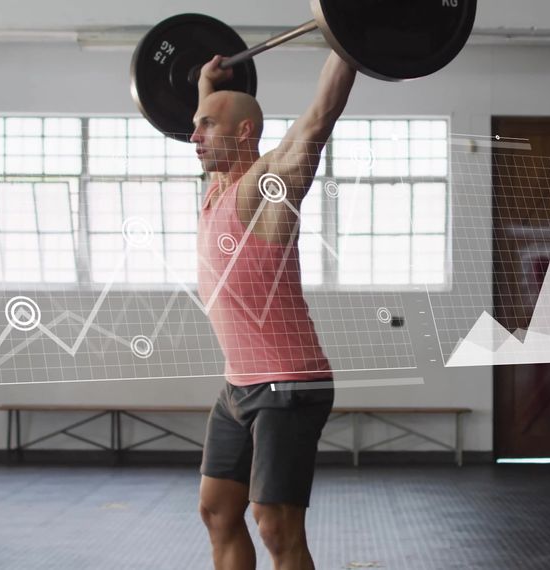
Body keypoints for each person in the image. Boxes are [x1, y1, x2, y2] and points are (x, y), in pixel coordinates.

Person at [192, 51, 357, 570]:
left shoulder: (269, 187)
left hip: (289, 382)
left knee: (274, 523)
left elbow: (319, 117)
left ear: (244, 133)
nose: (193, 137)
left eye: (205, 126)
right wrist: (204, 86)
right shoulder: (215, 187)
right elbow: (212, 127)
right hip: (239, 385)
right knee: (218, 512)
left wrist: (348, 41)